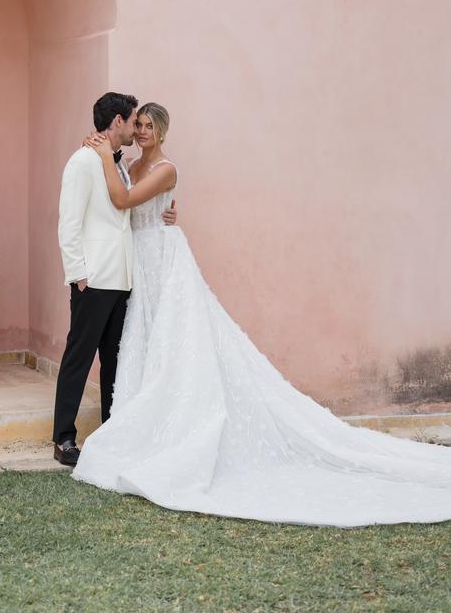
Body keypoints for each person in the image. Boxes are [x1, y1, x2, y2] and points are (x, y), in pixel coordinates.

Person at [72, 102, 451, 527]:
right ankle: (137, 424)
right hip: (135, 260)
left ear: (162, 131)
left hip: (162, 259)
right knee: (140, 340)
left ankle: (172, 425)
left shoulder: (165, 169)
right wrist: (109, 158)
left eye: (148, 126)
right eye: (137, 124)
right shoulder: (128, 164)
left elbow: (123, 199)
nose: (141, 131)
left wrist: (104, 155)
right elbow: (117, 203)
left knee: (173, 341)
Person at [53, 93, 176, 467]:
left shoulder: (119, 163)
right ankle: (63, 438)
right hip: (94, 278)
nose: (137, 129)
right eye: (134, 122)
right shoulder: (83, 161)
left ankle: (111, 430)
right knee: (79, 356)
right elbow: (69, 222)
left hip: (123, 278)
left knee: (114, 361)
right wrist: (77, 273)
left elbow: (132, 206)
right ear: (119, 121)